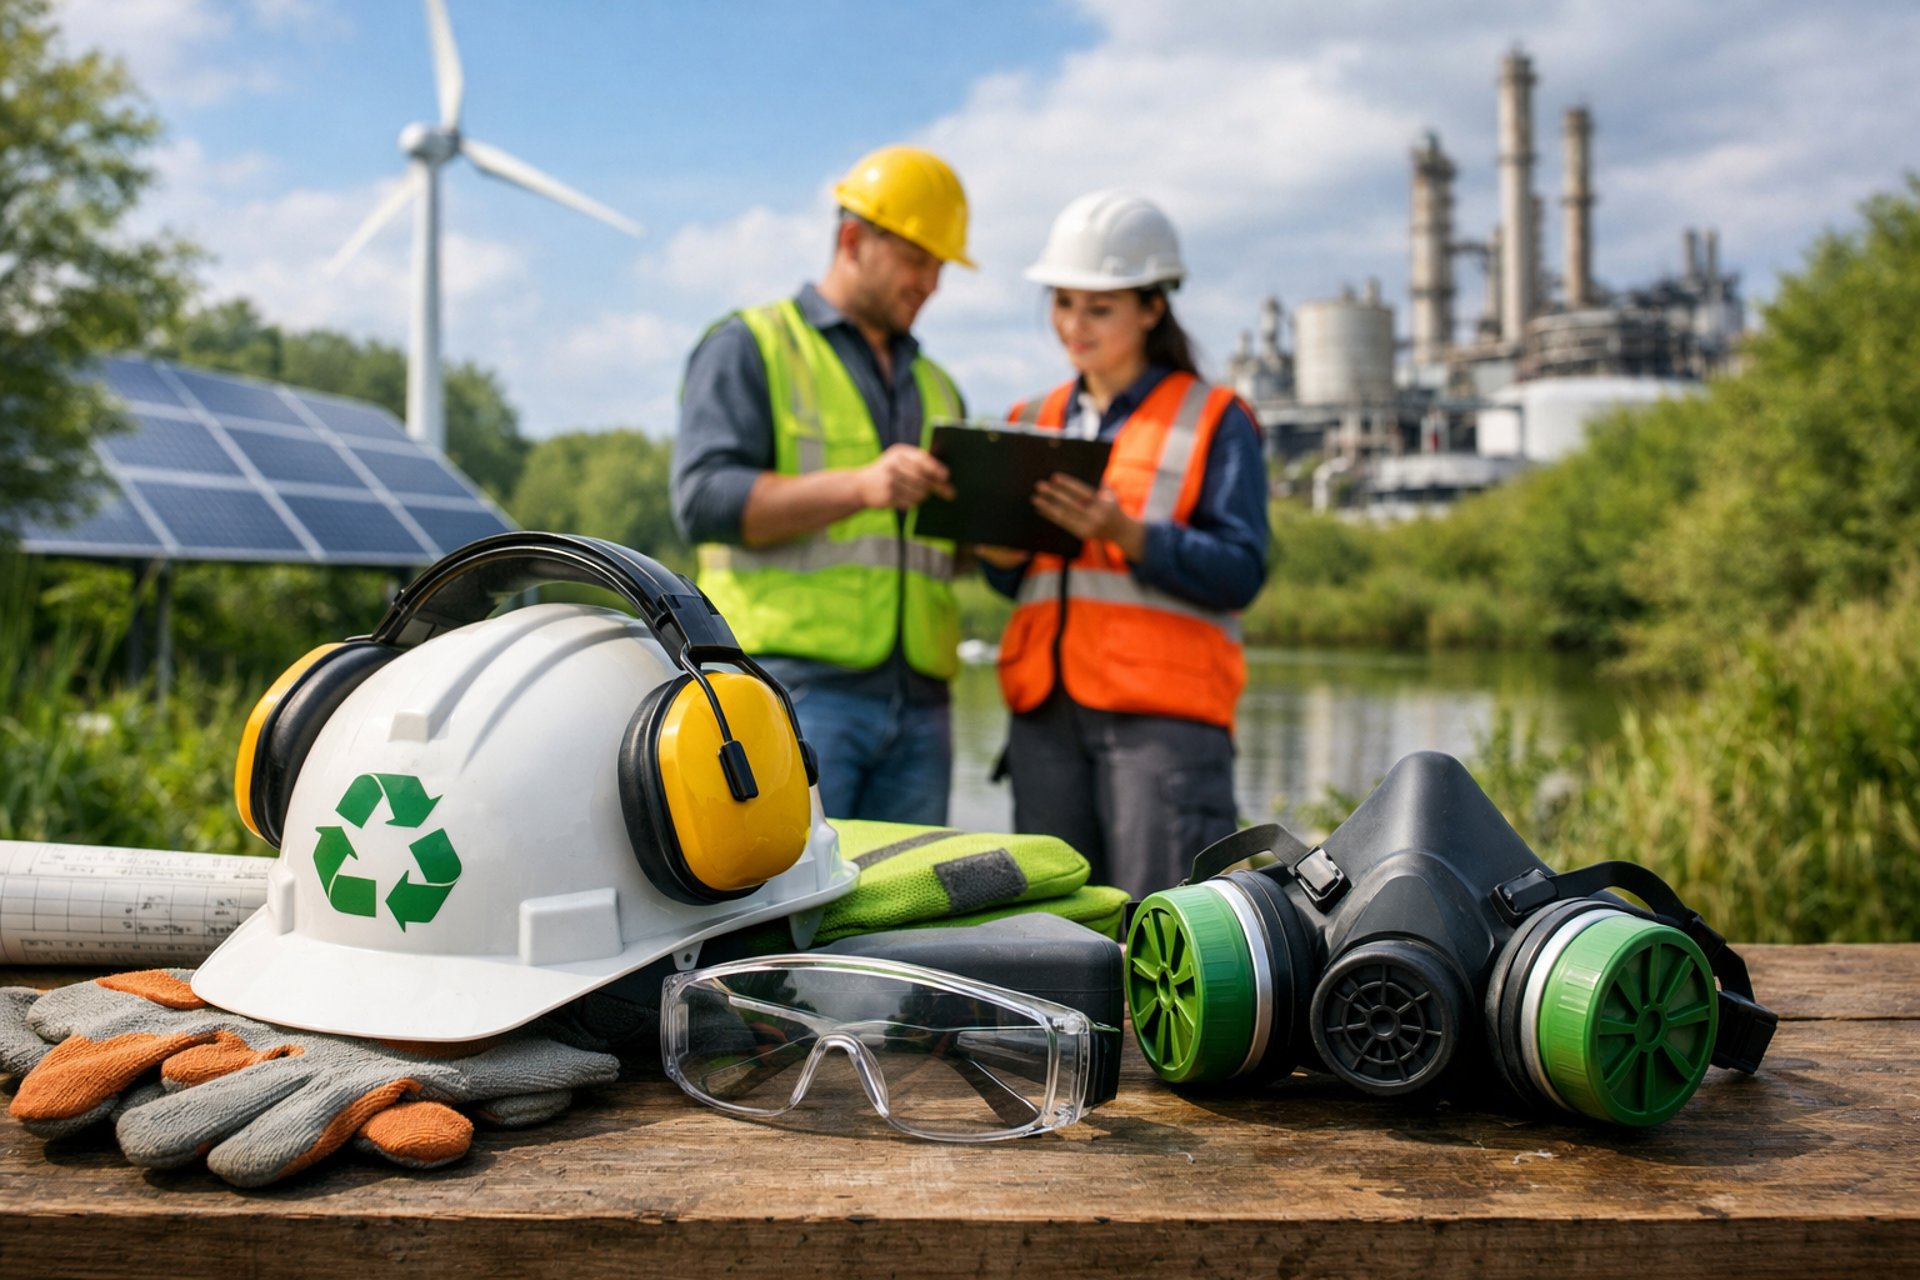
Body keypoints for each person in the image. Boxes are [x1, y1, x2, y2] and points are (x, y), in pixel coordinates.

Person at [980, 190, 1270, 897]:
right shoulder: (1030, 418)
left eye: (1099, 308)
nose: (1074, 325)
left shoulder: (1214, 417)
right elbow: (1022, 584)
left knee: (1165, 919)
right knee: (1055, 928)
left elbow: (1241, 571)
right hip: (1045, 716)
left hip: (1162, 724)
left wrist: (1127, 534)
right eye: (1063, 303)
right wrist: (996, 553)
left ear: (1151, 308)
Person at [671, 145, 973, 825]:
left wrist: (997, 530)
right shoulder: (751, 345)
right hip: (791, 692)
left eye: (941, 266)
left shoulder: (939, 385)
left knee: (908, 893)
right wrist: (861, 487)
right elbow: (704, 501)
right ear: (853, 241)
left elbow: (938, 555)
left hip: (923, 707)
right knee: (789, 892)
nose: (931, 283)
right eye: (917, 259)